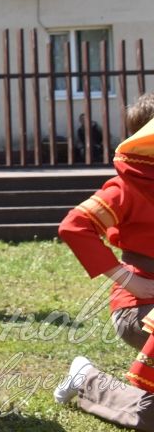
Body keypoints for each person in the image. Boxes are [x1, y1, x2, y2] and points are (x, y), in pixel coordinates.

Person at [55, 94, 154, 430]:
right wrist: (125, 277)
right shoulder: (124, 187)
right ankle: (87, 380)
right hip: (139, 306)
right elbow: (74, 225)